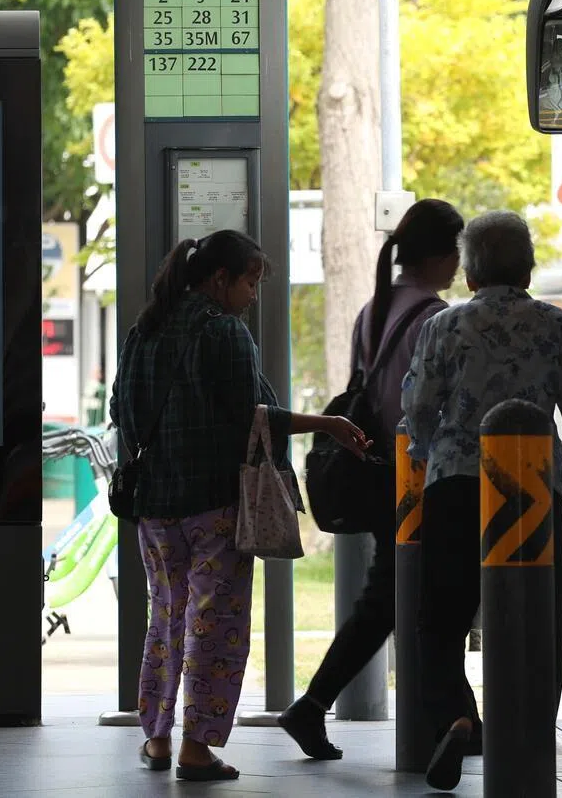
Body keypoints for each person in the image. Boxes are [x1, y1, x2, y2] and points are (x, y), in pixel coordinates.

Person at [109, 230, 369, 783]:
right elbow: (251, 418)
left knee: (166, 615)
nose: (253, 295)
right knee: (214, 622)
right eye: (250, 282)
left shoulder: (144, 331)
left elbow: (121, 411)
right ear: (220, 279)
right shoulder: (224, 333)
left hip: (153, 505)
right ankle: (197, 749)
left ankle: (156, 738)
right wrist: (326, 424)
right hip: (213, 505)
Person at [402, 210, 562, 792]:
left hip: (457, 486)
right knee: (533, 617)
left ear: (470, 273)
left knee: (440, 619)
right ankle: (530, 727)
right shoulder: (557, 328)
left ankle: (456, 717)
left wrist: (422, 451)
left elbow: (418, 408)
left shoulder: (444, 327)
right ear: (528, 267)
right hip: (533, 490)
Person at [279, 198, 465, 760]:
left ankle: (457, 719)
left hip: (378, 469)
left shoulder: (373, 309)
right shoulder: (433, 316)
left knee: (393, 599)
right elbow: (435, 403)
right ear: (437, 255)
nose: (458, 262)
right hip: (415, 477)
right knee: (418, 600)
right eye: (454, 250)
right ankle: (451, 720)